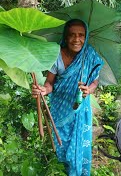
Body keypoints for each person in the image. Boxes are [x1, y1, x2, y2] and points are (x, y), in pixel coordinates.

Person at [32, 19, 103, 175]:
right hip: (60, 108)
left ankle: (78, 171)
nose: (76, 39)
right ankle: (62, 170)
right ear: (65, 37)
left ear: (86, 37)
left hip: (80, 110)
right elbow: (50, 83)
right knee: (61, 144)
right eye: (71, 35)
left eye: (81, 35)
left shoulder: (89, 56)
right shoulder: (56, 54)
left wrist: (88, 90)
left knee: (78, 144)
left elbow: (95, 81)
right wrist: (44, 90)